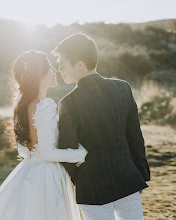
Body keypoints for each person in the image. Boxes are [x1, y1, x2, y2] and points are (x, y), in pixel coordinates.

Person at [0, 50, 88, 220]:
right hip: (49, 177)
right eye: (50, 67)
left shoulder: (21, 105)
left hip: (28, 172)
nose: (54, 71)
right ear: (40, 75)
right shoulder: (45, 106)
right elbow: (47, 153)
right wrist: (82, 154)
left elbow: (23, 151)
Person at [52, 33, 150, 220]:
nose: (60, 70)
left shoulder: (68, 103)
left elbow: (68, 149)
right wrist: (140, 175)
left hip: (92, 187)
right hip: (128, 178)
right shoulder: (123, 88)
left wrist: (79, 181)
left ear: (80, 64)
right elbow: (135, 137)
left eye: (62, 65)